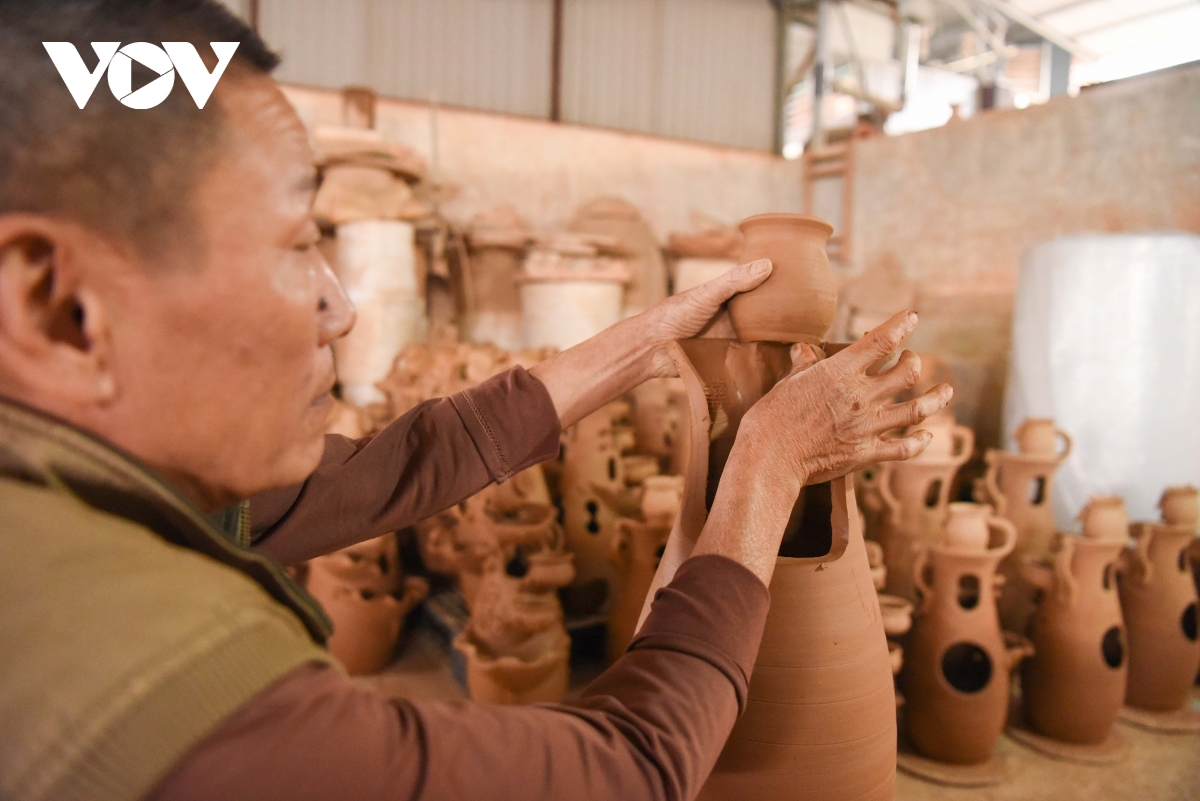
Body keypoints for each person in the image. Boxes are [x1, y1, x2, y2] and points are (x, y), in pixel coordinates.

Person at [0, 2, 951, 800]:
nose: (340, 305)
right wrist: (767, 469)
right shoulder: (153, 685)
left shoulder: (78, 489)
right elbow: (626, 767)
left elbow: (388, 470)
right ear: (59, 306)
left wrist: (647, 338)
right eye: (297, 243)